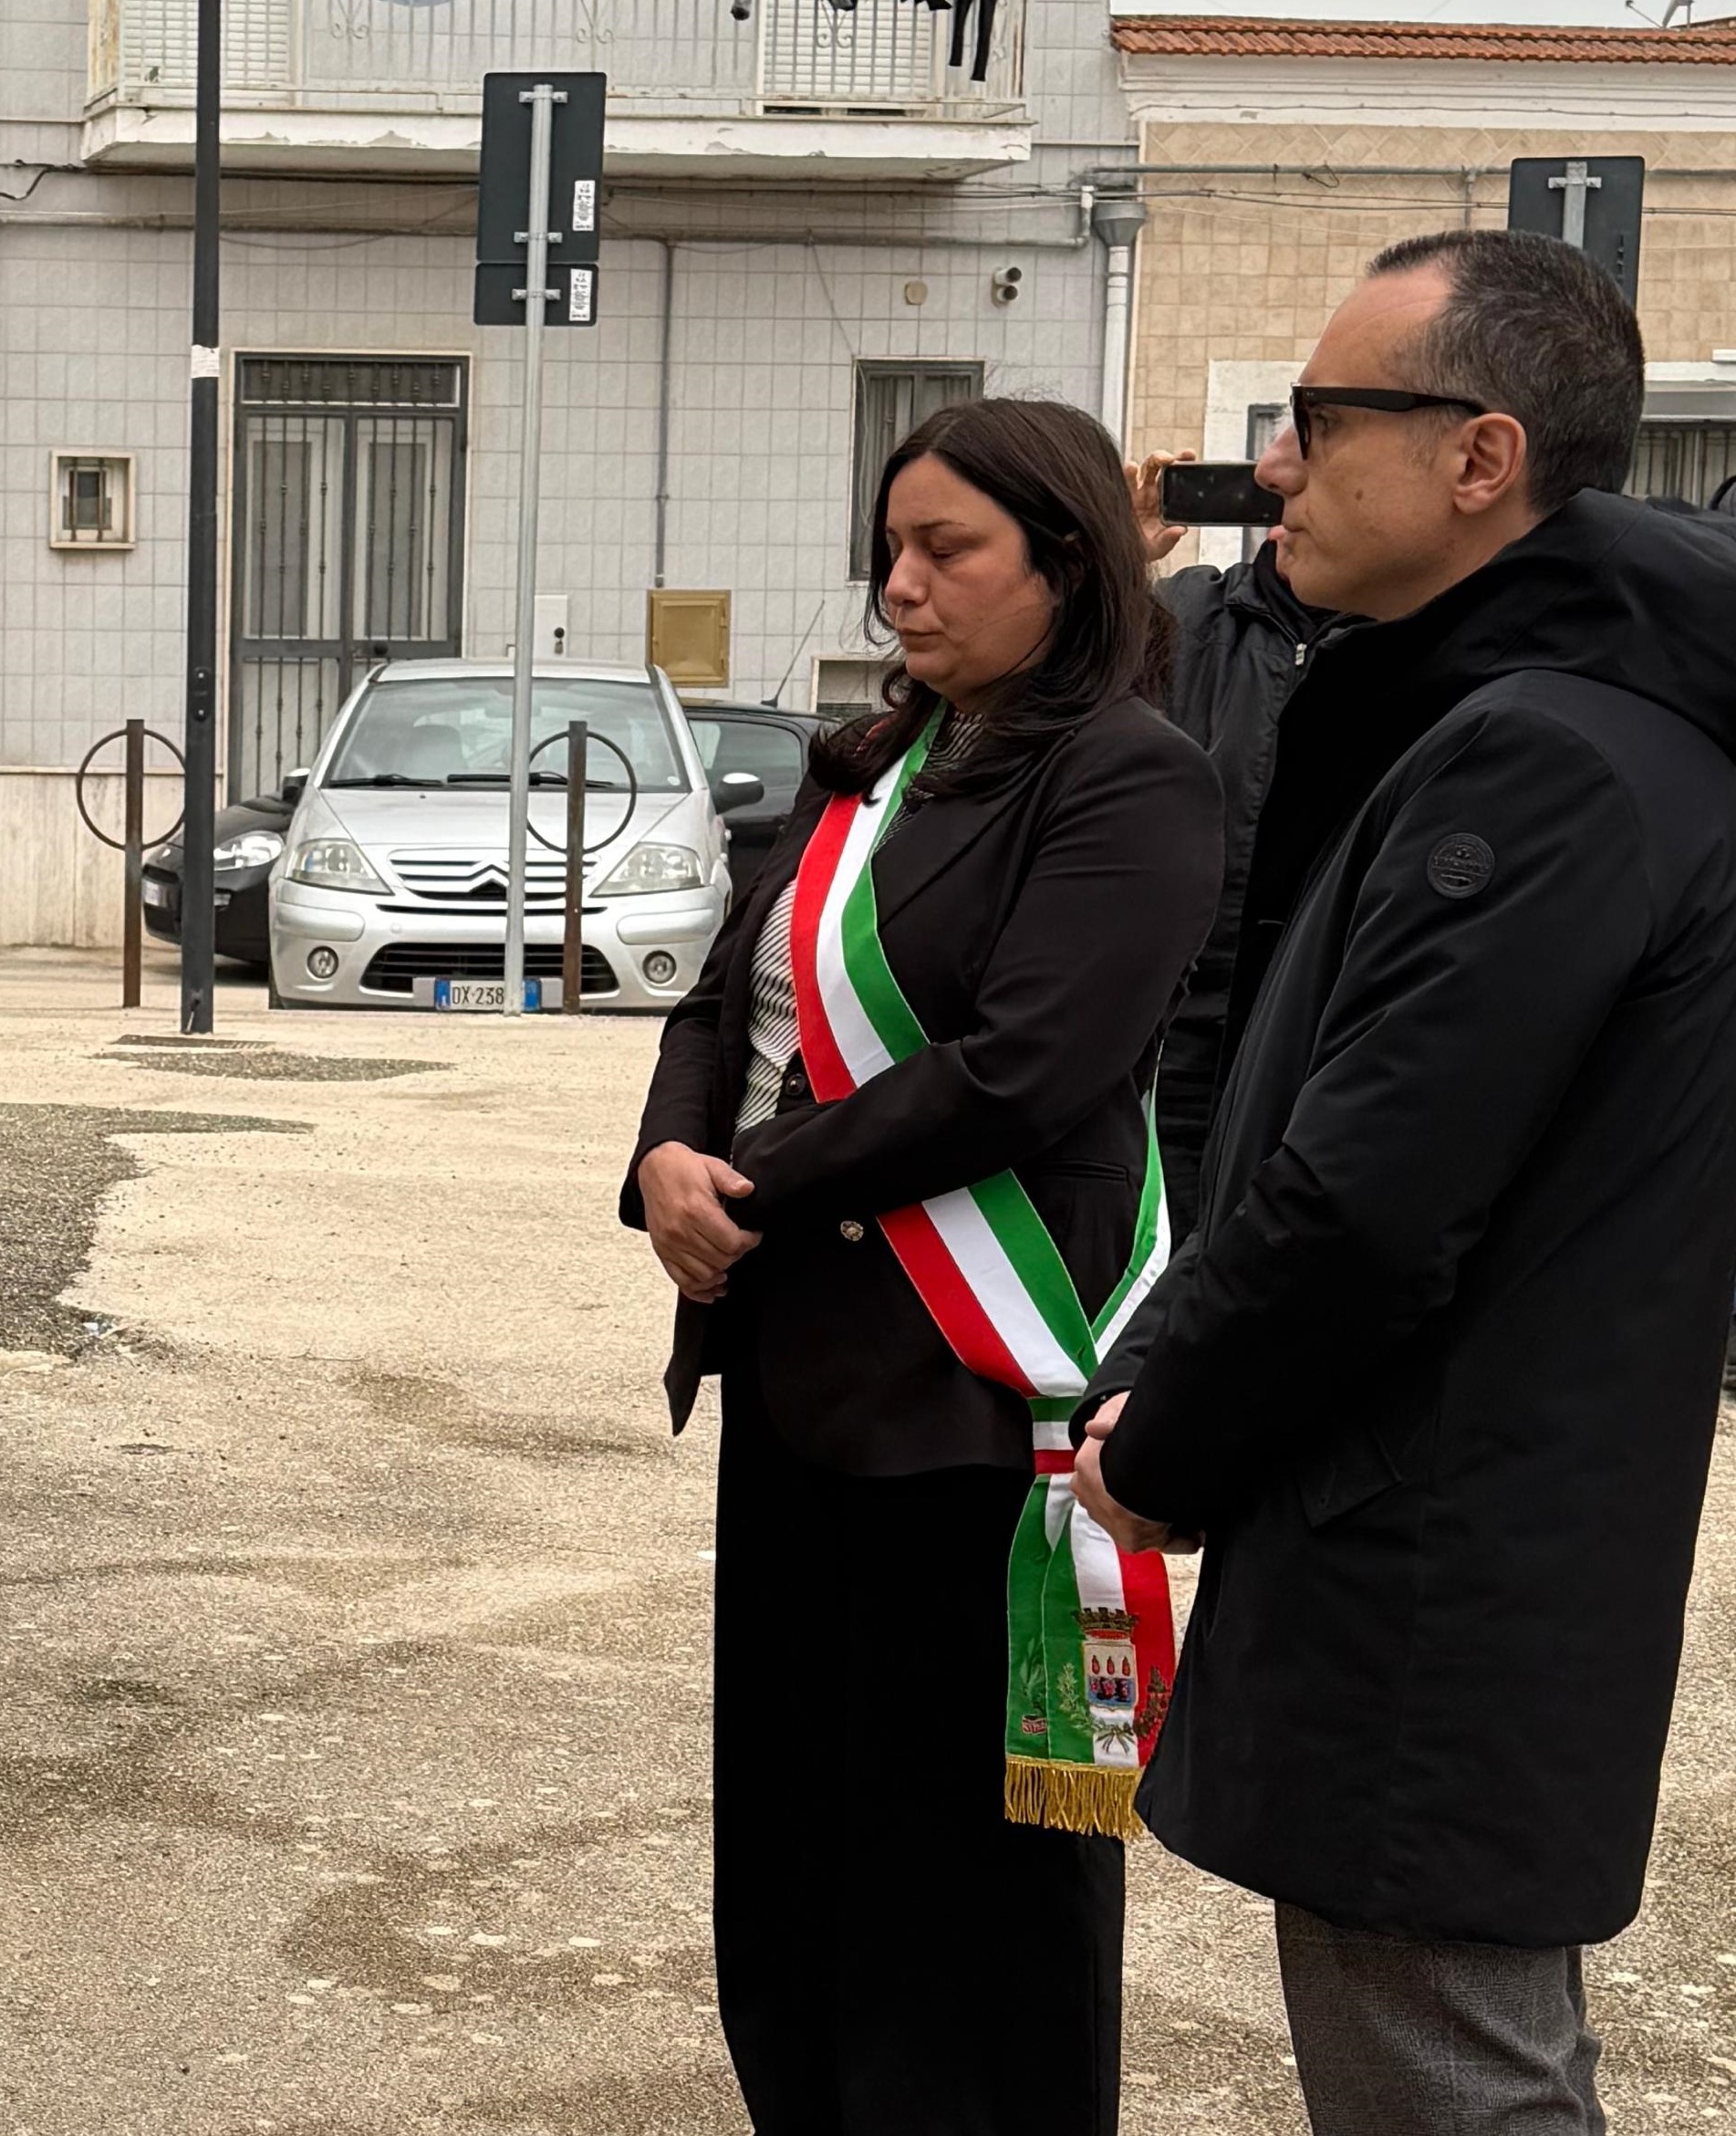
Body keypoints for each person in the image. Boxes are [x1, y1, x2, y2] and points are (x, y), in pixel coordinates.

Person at [1073, 229, 1736, 2136]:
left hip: (1438, 1548)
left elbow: (1367, 1191)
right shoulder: (1576, 724)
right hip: (1480, 1524)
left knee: (1444, 2075)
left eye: (1316, 420)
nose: (1272, 466)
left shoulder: (1541, 759)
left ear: (1480, 456)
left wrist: (1168, 1437)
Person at [627, 399, 1221, 2134]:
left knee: (967, 1871)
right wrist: (662, 1158)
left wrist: (742, 1172)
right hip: (799, 1368)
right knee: (798, 1836)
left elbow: (1027, 1064)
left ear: (1063, 560)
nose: (900, 585)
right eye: (888, 547)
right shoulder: (862, 766)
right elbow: (721, 1001)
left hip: (977, 1393)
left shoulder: (1123, 773)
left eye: (945, 550)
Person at [1122, 453, 1361, 1233]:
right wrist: (1116, 556)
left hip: (1324, 1053)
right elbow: (1047, 692)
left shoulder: (1417, 642)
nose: (1286, 487)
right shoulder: (1183, 616)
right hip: (1165, 1048)